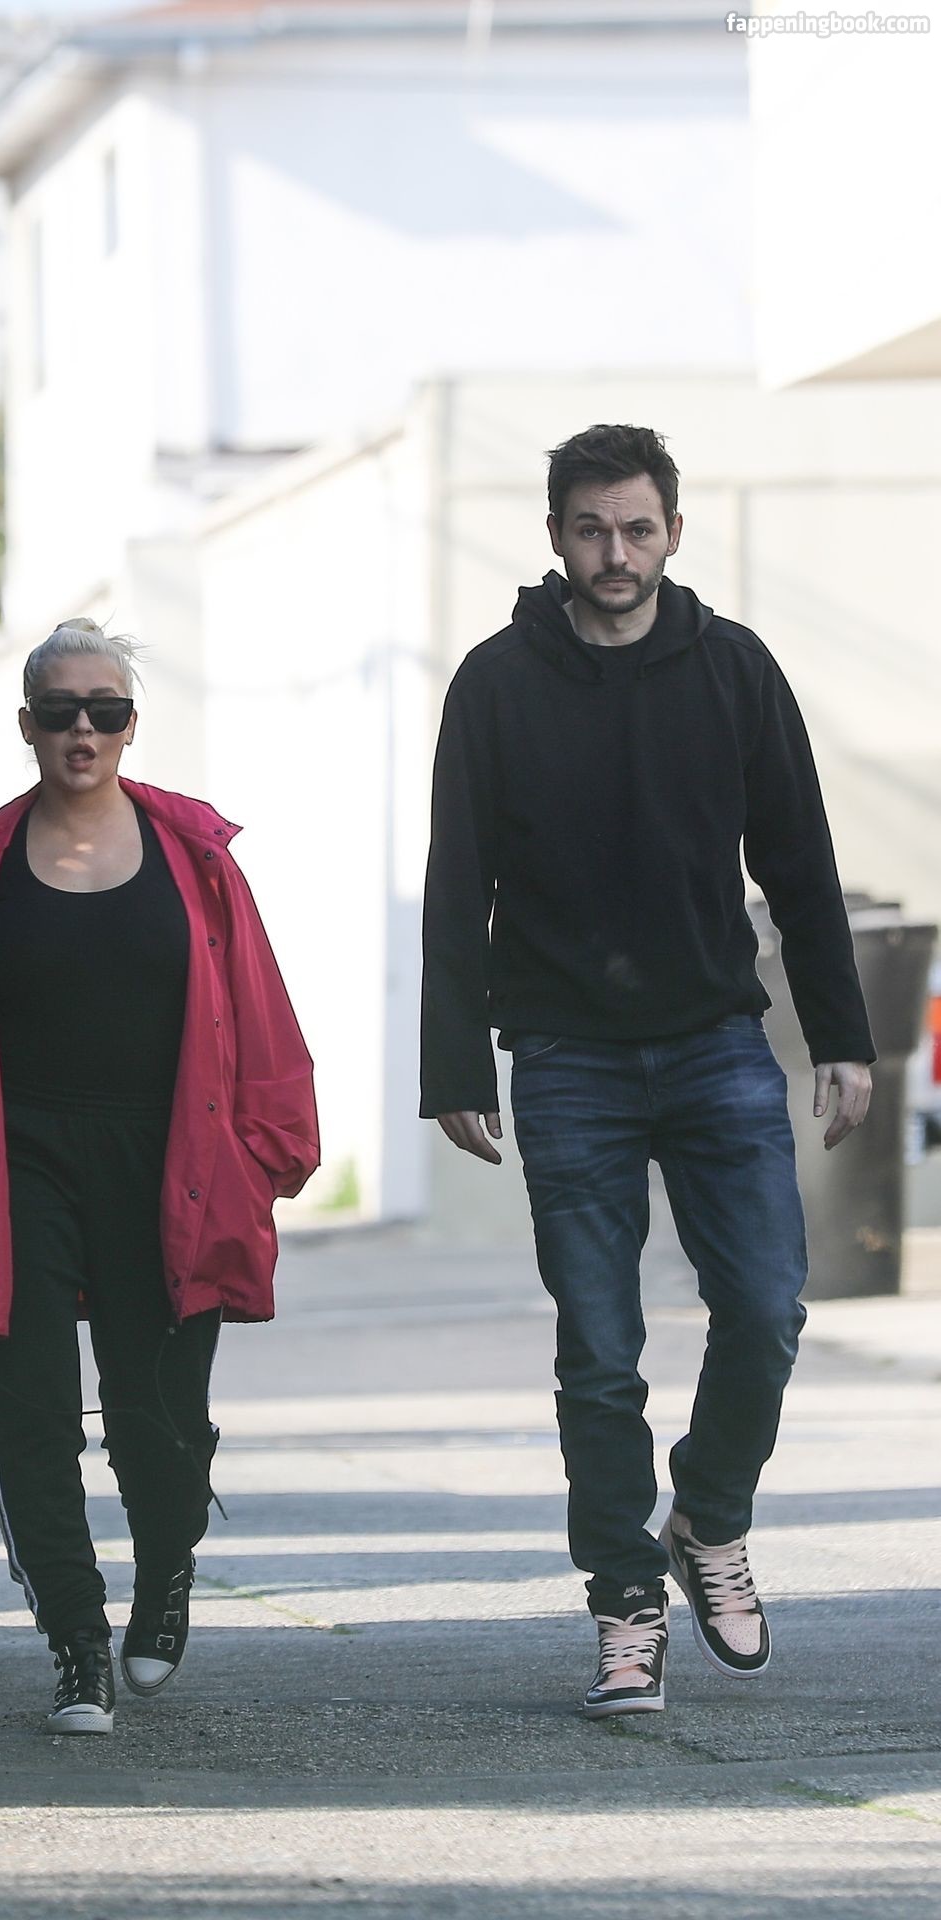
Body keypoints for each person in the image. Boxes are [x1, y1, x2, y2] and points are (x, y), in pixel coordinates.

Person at [420, 425, 874, 1720]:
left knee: (766, 1309)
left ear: (672, 531)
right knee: (600, 1352)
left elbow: (798, 862)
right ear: (554, 538)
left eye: (634, 527)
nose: (612, 553)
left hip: (716, 1040)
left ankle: (707, 1517)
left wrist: (841, 1037)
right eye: (589, 529)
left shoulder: (732, 669)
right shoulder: (495, 684)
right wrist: (453, 1060)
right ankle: (624, 1603)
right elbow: (456, 883)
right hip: (566, 1057)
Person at [0, 617, 319, 1735]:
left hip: (169, 1165)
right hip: (18, 1162)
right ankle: (75, 1642)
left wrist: (267, 1156)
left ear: (131, 725)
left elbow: (257, 1012)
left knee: (158, 1419)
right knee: (33, 1410)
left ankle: (166, 1576)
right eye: (60, 712)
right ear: (27, 726)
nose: (82, 731)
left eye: (105, 711)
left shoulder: (195, 859)